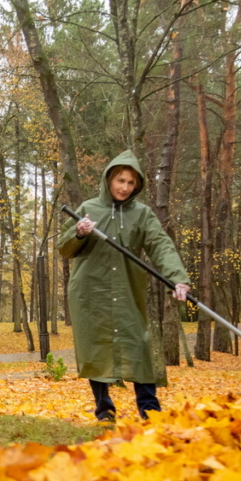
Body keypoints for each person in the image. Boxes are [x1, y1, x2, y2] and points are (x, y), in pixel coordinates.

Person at [58, 150, 190, 422]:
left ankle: (150, 410)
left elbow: (160, 245)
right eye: (120, 180)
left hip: (128, 290)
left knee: (138, 345)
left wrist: (177, 278)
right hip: (90, 292)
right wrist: (79, 232)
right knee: (95, 347)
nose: (125, 187)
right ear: (109, 179)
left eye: (131, 183)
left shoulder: (142, 214)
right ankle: (104, 409)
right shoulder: (88, 208)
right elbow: (64, 248)